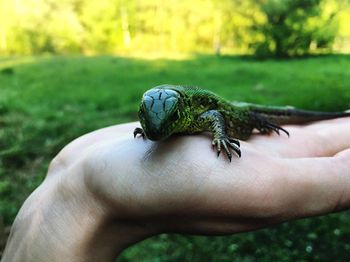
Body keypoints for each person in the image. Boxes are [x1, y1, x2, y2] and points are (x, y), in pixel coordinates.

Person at [2, 118, 350, 262]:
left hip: (237, 115)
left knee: (256, 118)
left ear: (180, 114)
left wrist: (219, 136)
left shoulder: (194, 113)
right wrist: (79, 191)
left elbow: (216, 116)